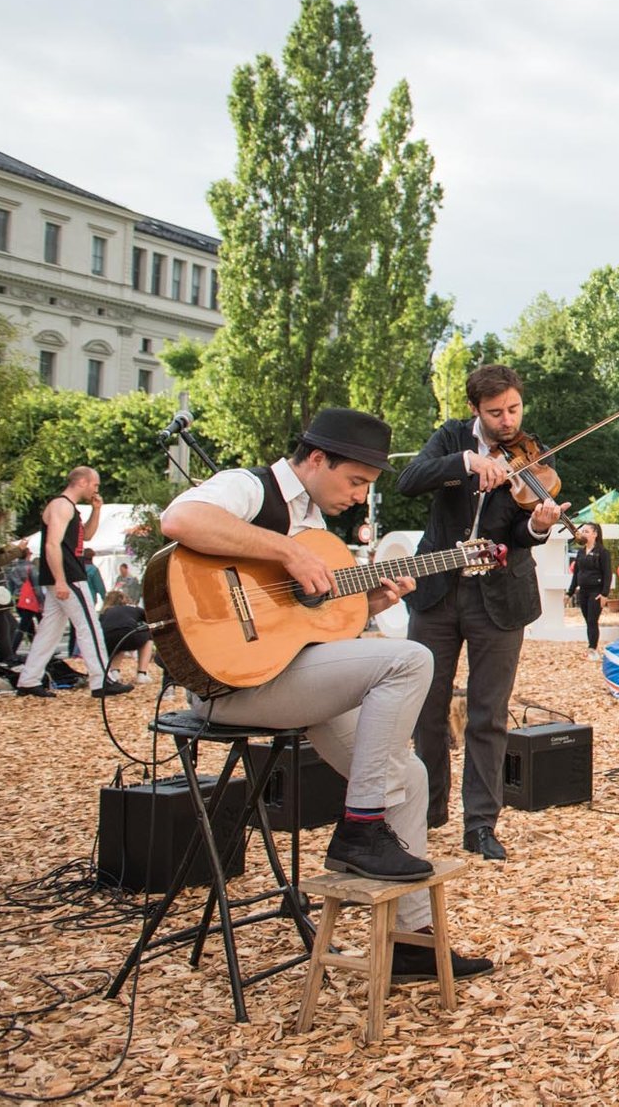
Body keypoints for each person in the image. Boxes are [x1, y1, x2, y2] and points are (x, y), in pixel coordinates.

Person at [158, 408, 490, 981]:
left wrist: (373, 605)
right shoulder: (249, 487)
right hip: (227, 683)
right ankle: (360, 827)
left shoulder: (313, 525)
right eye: (355, 481)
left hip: (283, 675)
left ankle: (410, 944)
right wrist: (286, 551)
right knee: (410, 657)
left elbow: (312, 627)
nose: (360, 498)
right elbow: (179, 519)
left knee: (409, 779)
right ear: (316, 459)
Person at [399, 364, 562, 863]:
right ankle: (427, 812)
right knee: (427, 709)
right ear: (475, 410)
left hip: (499, 596)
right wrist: (467, 462)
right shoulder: (450, 439)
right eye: (496, 413)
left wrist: (537, 526)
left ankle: (481, 824)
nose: (508, 420)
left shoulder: (533, 457)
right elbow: (409, 480)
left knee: (489, 715)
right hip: (437, 593)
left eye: (514, 409)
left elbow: (518, 537)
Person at [14, 468, 130, 698]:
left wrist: (97, 511)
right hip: (68, 576)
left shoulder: (70, 508)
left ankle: (29, 679)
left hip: (65, 576)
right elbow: (52, 545)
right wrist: (60, 580)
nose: (96, 489)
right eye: (95, 485)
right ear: (83, 482)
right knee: (89, 626)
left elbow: (86, 536)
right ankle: (102, 680)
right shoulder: (61, 505)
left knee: (50, 630)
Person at [568, 523, 613, 659]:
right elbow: (576, 574)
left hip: (596, 591)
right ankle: (591, 646)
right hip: (583, 591)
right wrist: (569, 592)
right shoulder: (581, 552)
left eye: (587, 531)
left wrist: (604, 594)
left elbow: (607, 574)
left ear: (595, 534)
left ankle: (592, 648)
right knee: (588, 620)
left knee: (593, 620)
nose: (584, 533)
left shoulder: (602, 552)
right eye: (583, 531)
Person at [97, 589, 153, 683]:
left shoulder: (104, 612)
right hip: (129, 635)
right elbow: (149, 618)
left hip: (108, 638)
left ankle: (114, 672)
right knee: (148, 637)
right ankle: (141, 673)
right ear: (123, 599)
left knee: (119, 644)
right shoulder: (132, 608)